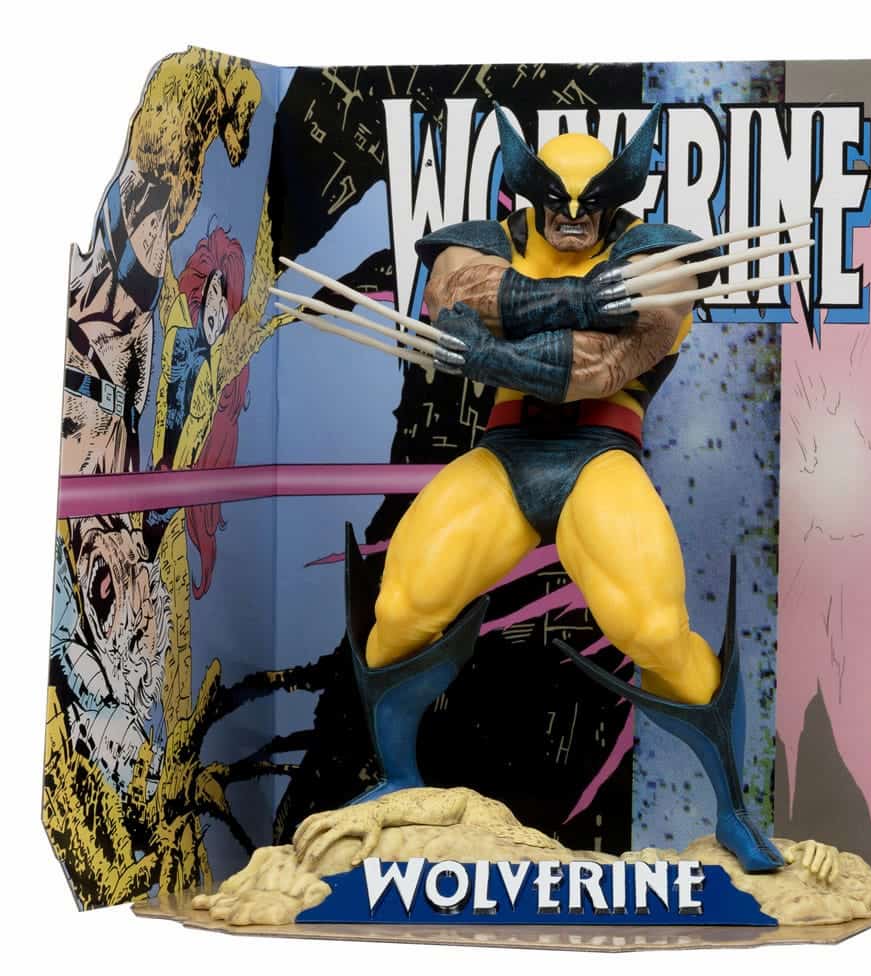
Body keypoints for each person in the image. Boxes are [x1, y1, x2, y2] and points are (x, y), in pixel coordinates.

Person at [281, 104, 805, 871]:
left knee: (656, 630)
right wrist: (580, 301)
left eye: (592, 203)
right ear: (530, 190)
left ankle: (733, 808)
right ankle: (398, 777)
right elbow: (455, 294)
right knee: (400, 610)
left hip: (598, 456)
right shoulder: (482, 240)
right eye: (558, 202)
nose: (574, 219)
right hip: (505, 458)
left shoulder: (660, 255)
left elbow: (598, 365)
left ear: (617, 195)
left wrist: (496, 345)